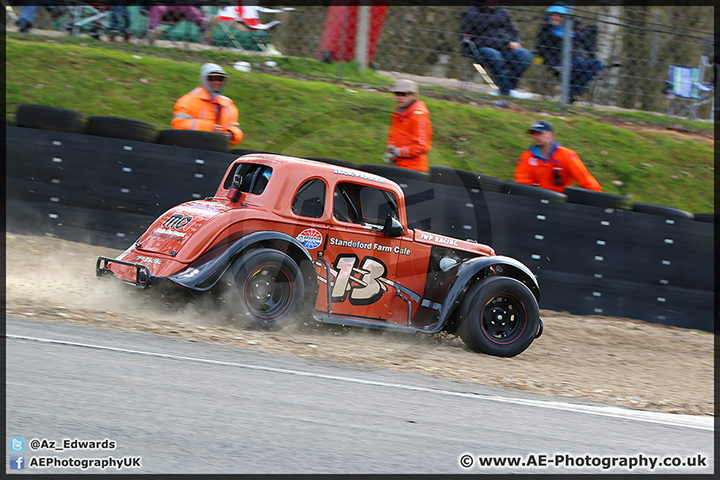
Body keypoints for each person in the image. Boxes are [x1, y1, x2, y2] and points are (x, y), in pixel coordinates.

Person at [459, 0, 533, 103]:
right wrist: (499, 42)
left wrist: (515, 42)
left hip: (505, 48)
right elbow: (465, 36)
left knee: (524, 54)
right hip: (482, 48)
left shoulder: (503, 12)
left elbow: (514, 32)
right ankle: (506, 91)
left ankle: (507, 90)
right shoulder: (470, 12)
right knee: (494, 55)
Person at [536, 3, 604, 103]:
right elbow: (542, 50)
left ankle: (572, 94)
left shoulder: (576, 29)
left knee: (597, 64)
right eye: (552, 15)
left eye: (559, 15)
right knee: (578, 63)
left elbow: (585, 47)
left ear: (564, 17)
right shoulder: (545, 30)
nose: (555, 17)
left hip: (579, 60)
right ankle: (572, 95)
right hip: (558, 61)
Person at [514, 120, 601, 193]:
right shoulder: (526, 157)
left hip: (561, 201)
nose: (536, 137)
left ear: (552, 135)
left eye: (540, 133)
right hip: (536, 200)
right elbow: (522, 182)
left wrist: (598, 199)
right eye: (534, 134)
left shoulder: (567, 155)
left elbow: (584, 178)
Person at [171, 63, 244, 146]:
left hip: (217, 149)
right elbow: (177, 125)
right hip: (192, 147)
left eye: (220, 79)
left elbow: (234, 126)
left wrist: (232, 134)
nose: (217, 82)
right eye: (212, 78)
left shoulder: (228, 103)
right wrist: (209, 128)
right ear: (204, 79)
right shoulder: (188, 100)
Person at [384, 79, 433, 173]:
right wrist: (391, 147)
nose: (400, 97)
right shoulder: (398, 113)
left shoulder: (418, 116)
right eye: (397, 94)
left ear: (412, 94)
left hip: (413, 169)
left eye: (404, 94)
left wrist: (398, 152)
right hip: (398, 165)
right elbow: (393, 135)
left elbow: (422, 146)